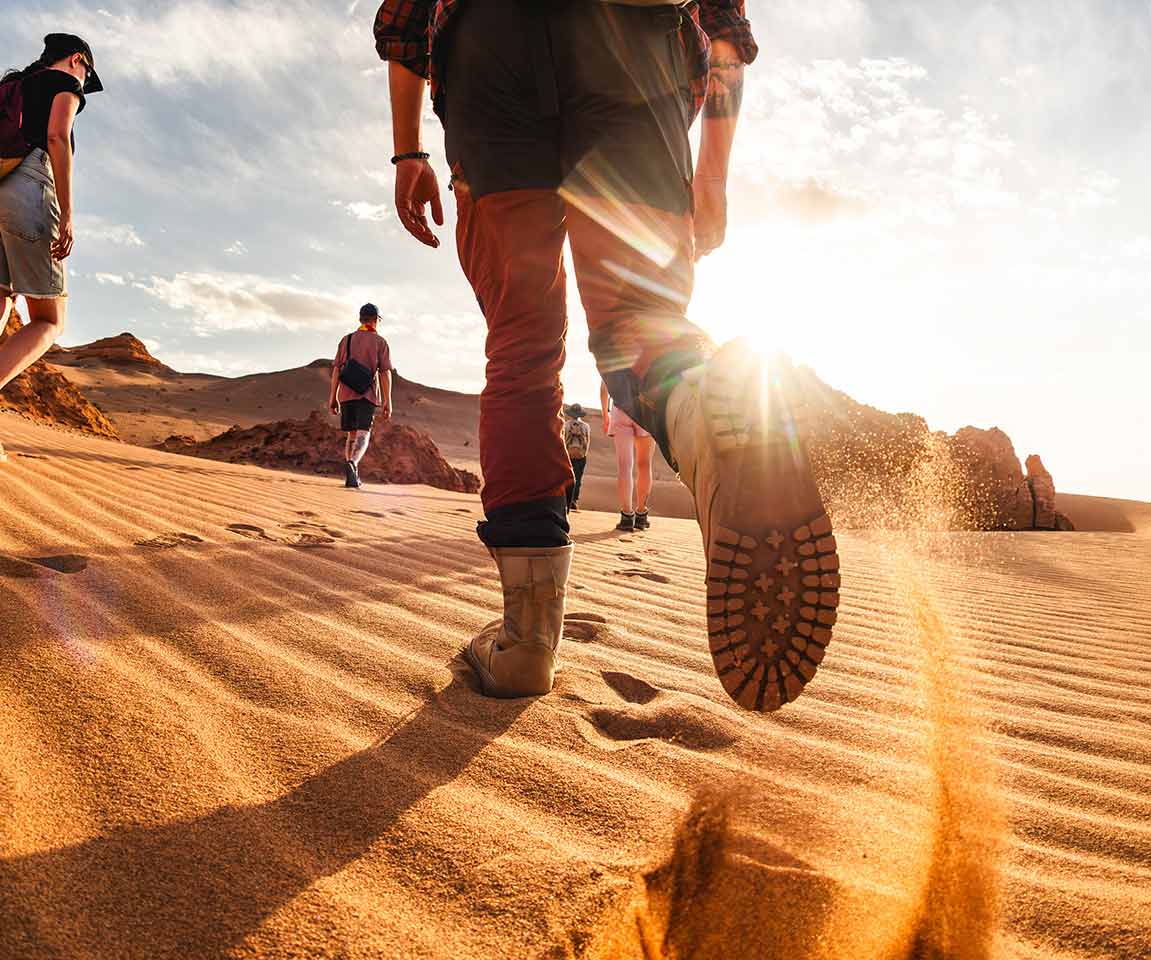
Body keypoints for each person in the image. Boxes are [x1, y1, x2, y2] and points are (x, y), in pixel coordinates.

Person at [376, 0, 841, 712]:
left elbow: (407, 22)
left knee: (522, 349)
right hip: (636, 51)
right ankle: (700, 419)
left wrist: (408, 151)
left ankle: (527, 641)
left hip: (491, 51)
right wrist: (712, 178)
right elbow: (724, 30)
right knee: (639, 321)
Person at [0, 34, 104, 461]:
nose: (84, 80)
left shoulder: (9, 89)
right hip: (29, 189)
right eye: (86, 72)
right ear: (77, 60)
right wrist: (68, 212)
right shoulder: (65, 85)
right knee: (50, 319)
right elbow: (57, 138)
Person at [328, 303, 394, 488]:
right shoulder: (380, 342)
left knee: (351, 434)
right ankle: (353, 463)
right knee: (363, 434)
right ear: (376, 320)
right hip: (367, 394)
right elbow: (385, 373)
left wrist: (333, 397)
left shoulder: (346, 340)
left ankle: (352, 473)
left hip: (346, 394)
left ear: (360, 319)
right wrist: (388, 401)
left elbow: (336, 370)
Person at [599, 381, 652, 532]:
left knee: (624, 466)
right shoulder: (645, 356)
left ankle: (627, 517)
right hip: (644, 411)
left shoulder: (615, 356)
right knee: (644, 464)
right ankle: (641, 515)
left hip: (620, 411)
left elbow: (604, 388)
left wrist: (605, 415)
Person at [562, 404, 591, 510]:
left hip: (568, 454)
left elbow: (563, 439)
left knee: (566, 477)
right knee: (578, 478)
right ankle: (574, 500)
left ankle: (566, 500)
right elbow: (587, 442)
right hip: (581, 456)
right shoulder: (586, 426)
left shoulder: (566, 425)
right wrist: (584, 454)